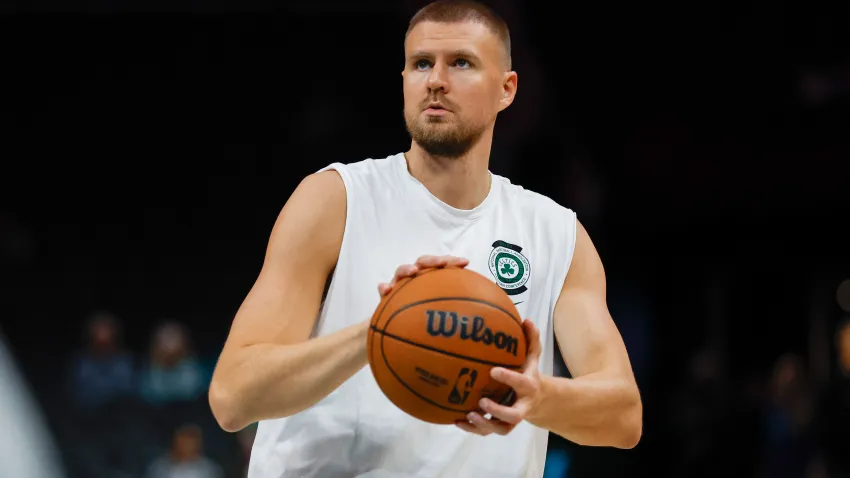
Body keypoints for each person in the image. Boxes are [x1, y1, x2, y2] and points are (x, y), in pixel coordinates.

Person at [209, 1, 642, 477]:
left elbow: (624, 416)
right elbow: (232, 397)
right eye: (421, 63)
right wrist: (378, 333)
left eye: (461, 62)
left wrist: (534, 393)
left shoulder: (556, 233)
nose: (436, 79)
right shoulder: (336, 199)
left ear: (507, 89)